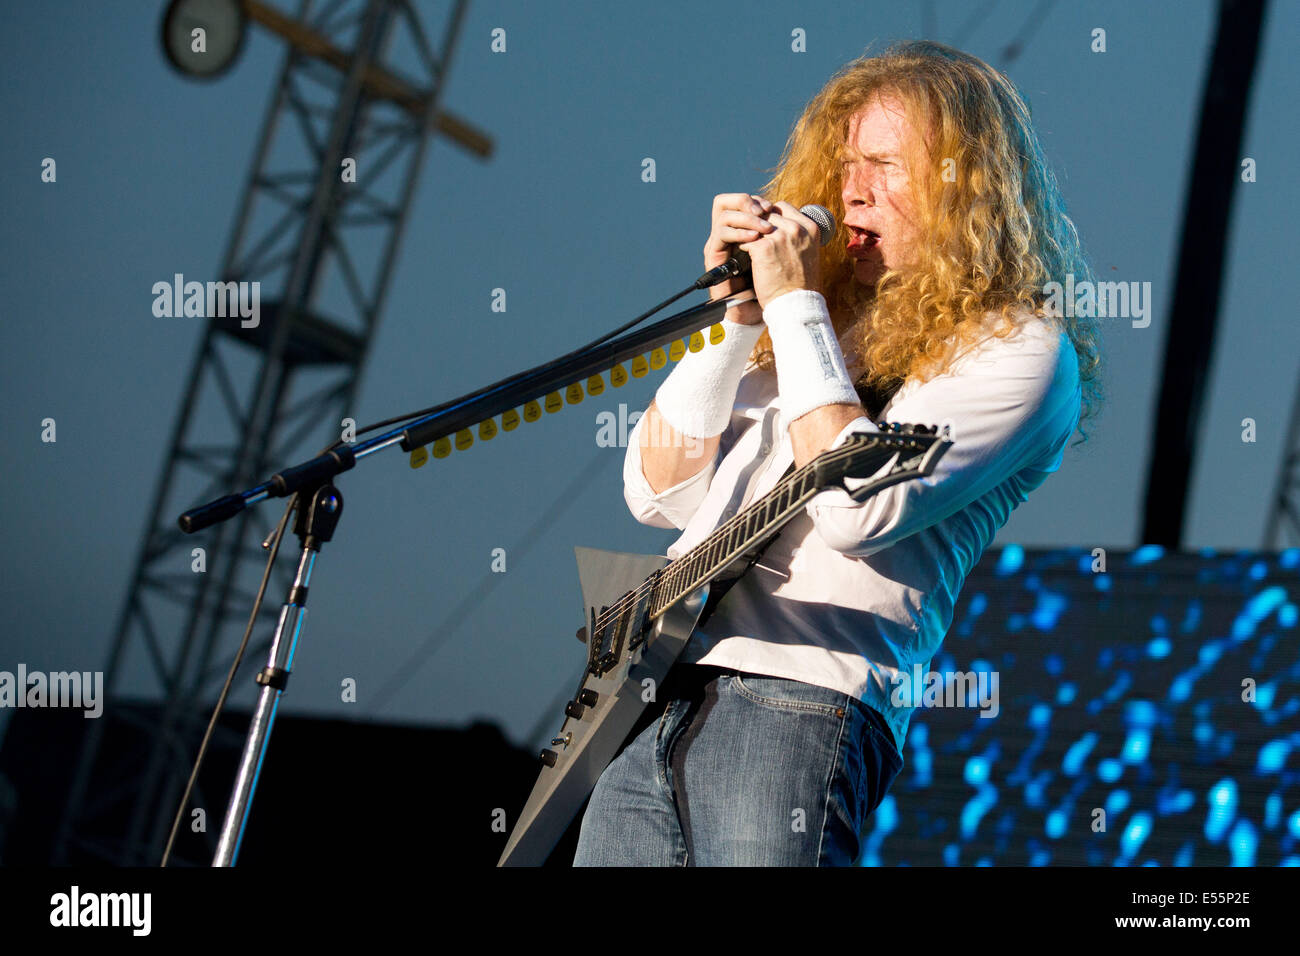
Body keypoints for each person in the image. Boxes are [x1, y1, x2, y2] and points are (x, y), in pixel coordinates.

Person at [572, 40, 1102, 866]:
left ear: (965, 181)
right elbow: (658, 490)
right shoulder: (810, 322)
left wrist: (793, 304)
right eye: (847, 160)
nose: (852, 185)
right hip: (657, 692)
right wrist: (738, 317)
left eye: (886, 163)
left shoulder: (1018, 345)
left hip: (801, 698)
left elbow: (857, 508)